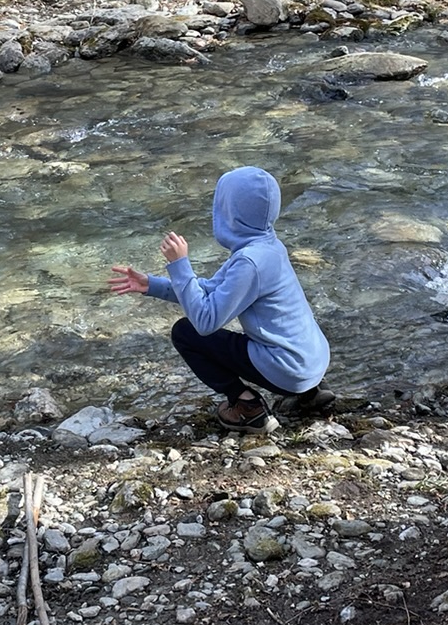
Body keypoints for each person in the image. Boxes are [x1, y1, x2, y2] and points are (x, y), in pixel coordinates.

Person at [108, 166, 331, 432]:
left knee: (186, 332)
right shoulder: (268, 246)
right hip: (312, 362)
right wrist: (152, 285)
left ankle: (248, 407)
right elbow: (211, 290)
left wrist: (180, 265)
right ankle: (312, 394)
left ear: (228, 213)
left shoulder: (249, 262)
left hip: (288, 371)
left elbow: (205, 320)